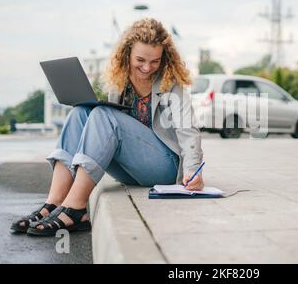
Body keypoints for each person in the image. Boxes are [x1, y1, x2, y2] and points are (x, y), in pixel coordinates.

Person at [11, 18, 204, 236]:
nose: (147, 67)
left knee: (103, 114)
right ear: (127, 53)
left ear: (164, 58)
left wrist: (191, 171)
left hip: (164, 167)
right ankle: (54, 203)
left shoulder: (171, 84)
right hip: (131, 169)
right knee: (80, 112)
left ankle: (75, 208)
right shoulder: (120, 80)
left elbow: (188, 132)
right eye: (140, 60)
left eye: (155, 61)